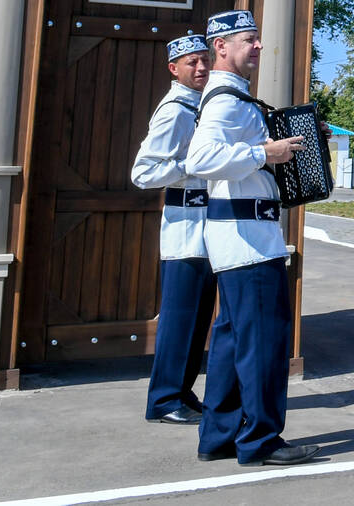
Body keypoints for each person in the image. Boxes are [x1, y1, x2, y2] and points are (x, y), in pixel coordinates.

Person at [185, 9, 319, 467]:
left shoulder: (235, 97)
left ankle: (218, 435)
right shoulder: (226, 98)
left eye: (259, 38)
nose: (258, 46)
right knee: (263, 341)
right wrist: (266, 152)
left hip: (241, 235)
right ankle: (260, 441)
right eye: (249, 39)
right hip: (246, 239)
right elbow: (200, 159)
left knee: (231, 341)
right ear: (220, 46)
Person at [131, 32, 215, 425]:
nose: (200, 68)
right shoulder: (176, 110)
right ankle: (164, 399)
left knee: (198, 320)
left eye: (204, 60)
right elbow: (144, 172)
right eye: (191, 63)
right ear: (173, 69)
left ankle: (181, 391)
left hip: (205, 226)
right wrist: (195, 166)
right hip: (184, 227)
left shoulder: (200, 104)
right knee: (180, 318)